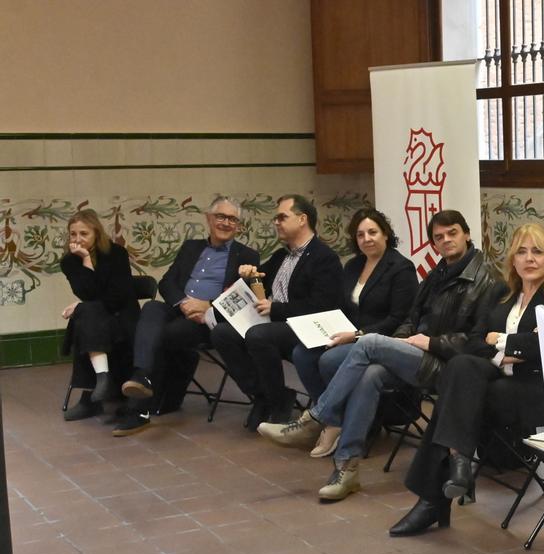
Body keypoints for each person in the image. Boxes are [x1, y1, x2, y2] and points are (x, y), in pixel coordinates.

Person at [256, 210, 499, 502]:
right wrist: (402, 341)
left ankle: (316, 420)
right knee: (368, 374)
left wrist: (430, 342)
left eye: (452, 233)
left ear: (467, 234)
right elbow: (410, 317)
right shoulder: (438, 272)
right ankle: (347, 469)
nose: (446, 241)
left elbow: (478, 341)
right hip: (416, 350)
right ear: (433, 244)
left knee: (369, 343)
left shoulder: (487, 279)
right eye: (439, 237)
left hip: (450, 364)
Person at [389, 223, 544, 536]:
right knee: (462, 367)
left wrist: (501, 341)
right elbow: (474, 340)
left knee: (456, 395)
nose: (529, 259)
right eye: (521, 251)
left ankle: (439, 492)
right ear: (513, 259)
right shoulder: (501, 293)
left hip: (535, 390)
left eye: (537, 251)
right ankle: (458, 467)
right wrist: (511, 346)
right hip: (490, 379)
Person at [112, 196, 260, 436]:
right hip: (178, 309)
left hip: (208, 321)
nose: (226, 223)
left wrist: (208, 306)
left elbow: (243, 299)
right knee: (150, 309)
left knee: (162, 335)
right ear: (209, 219)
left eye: (232, 219)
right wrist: (184, 303)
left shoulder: (247, 256)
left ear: (238, 225)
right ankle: (142, 378)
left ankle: (139, 407)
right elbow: (167, 282)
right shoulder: (191, 247)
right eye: (221, 216)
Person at [290, 207, 418, 456]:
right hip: (346, 334)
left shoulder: (401, 268)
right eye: (360, 235)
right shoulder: (353, 265)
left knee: (328, 360)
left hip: (379, 339)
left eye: (373, 232)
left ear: (386, 234)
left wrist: (356, 334)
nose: (367, 239)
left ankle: (333, 423)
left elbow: (398, 319)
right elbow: (340, 306)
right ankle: (331, 417)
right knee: (302, 354)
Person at [210, 194, 343, 427]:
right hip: (276, 325)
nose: (276, 222)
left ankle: (276, 402)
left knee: (258, 335)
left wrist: (276, 308)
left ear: (302, 219)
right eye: (276, 218)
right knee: (222, 333)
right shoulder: (282, 255)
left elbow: (323, 307)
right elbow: (260, 283)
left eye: (282, 217)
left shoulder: (325, 258)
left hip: (306, 328)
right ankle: (266, 395)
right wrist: (249, 275)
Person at [59, 209, 140, 421]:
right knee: (88, 315)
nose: (78, 239)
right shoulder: (69, 262)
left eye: (84, 233)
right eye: (73, 234)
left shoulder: (117, 254)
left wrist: (81, 306)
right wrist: (85, 260)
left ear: (96, 233)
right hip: (98, 318)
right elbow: (87, 293)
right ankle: (100, 382)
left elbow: (116, 297)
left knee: (85, 315)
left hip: (123, 314)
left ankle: (90, 398)